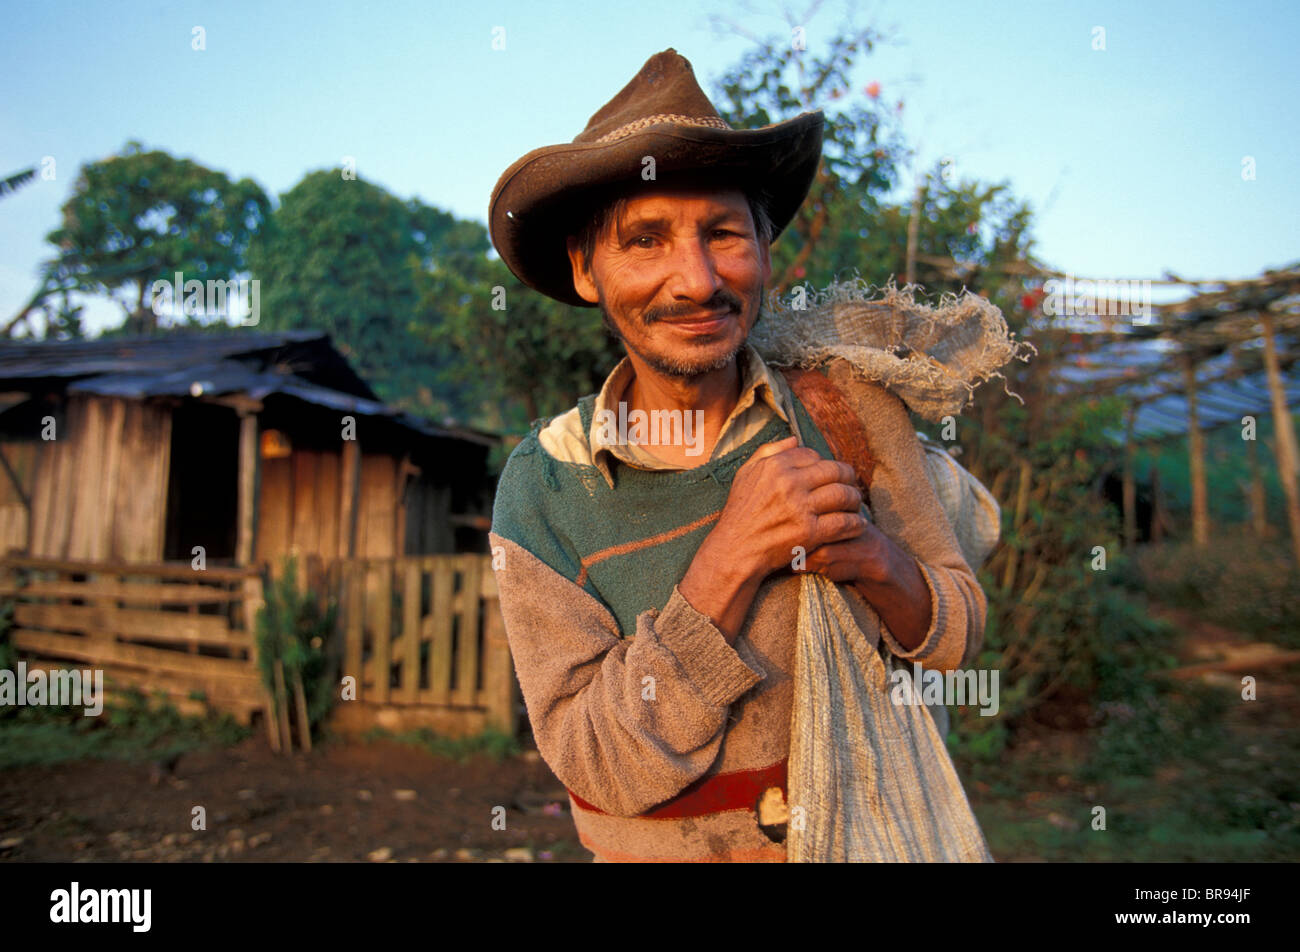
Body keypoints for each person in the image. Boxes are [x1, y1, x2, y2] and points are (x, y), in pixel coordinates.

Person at [486, 48, 986, 862]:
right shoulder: (543, 488)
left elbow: (957, 638)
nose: (695, 280)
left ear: (764, 244)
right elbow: (593, 762)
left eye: (723, 233)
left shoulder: (844, 408)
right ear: (586, 270)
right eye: (645, 241)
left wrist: (873, 556)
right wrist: (729, 561)